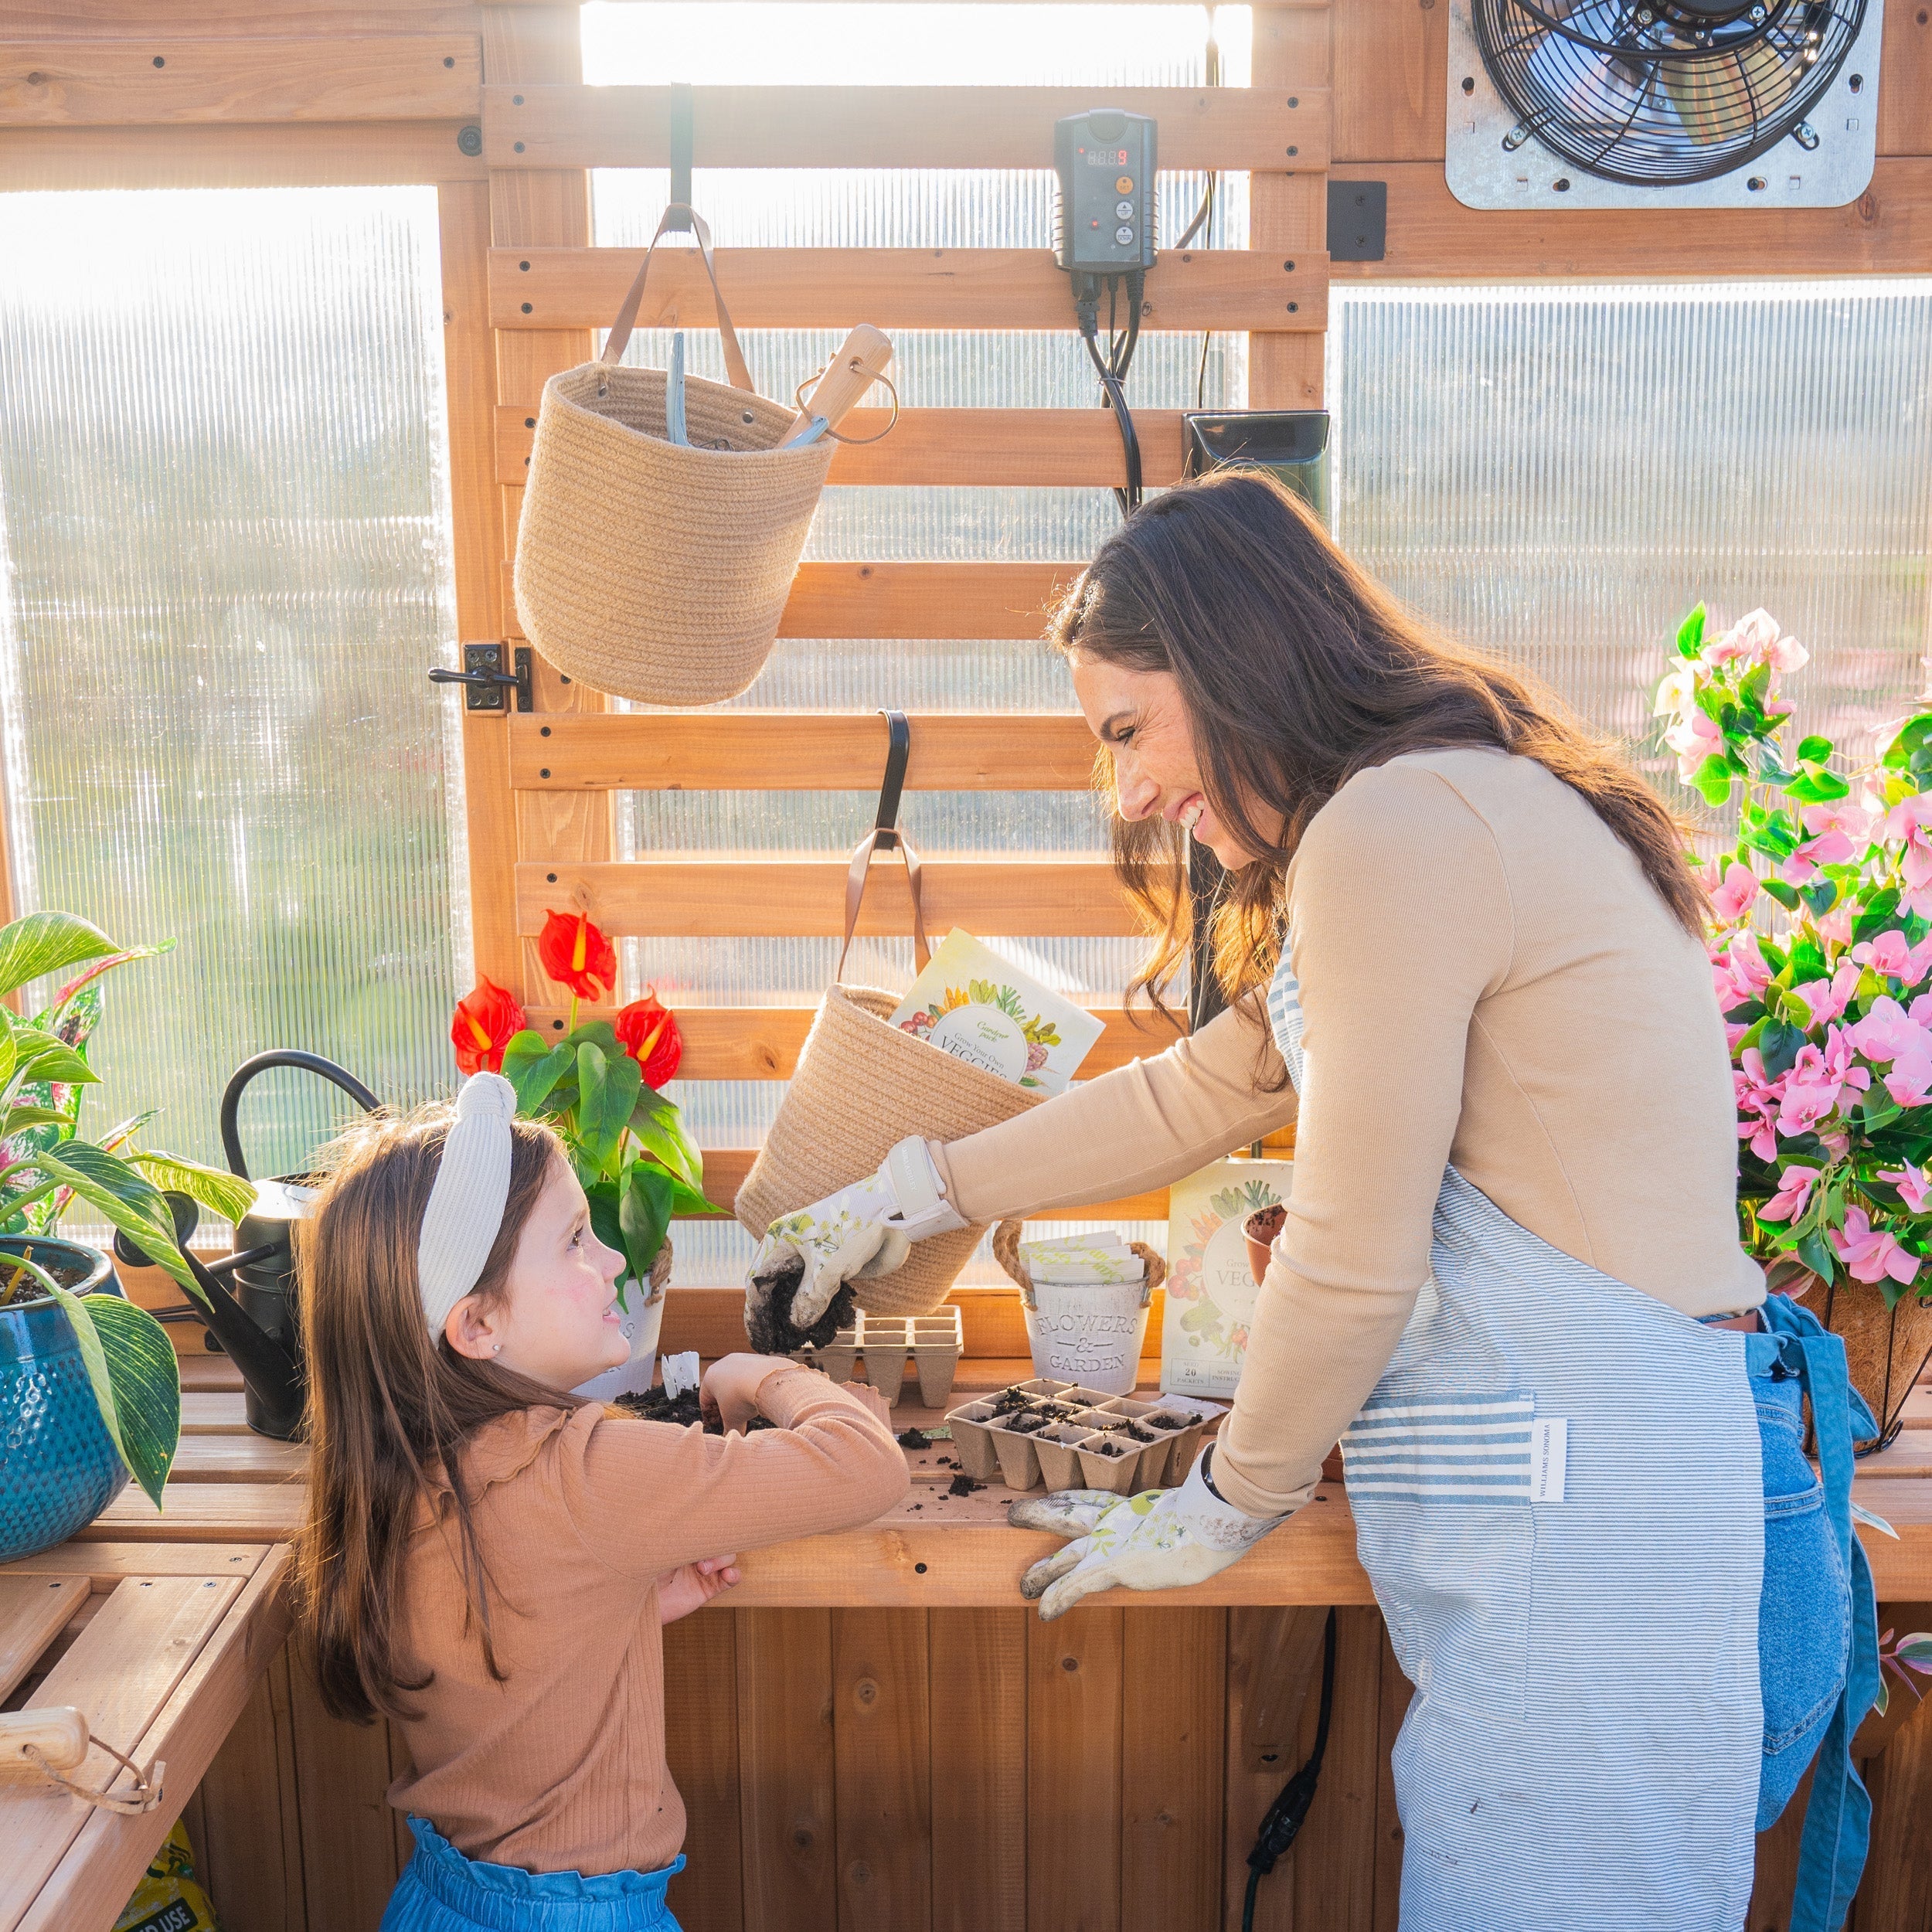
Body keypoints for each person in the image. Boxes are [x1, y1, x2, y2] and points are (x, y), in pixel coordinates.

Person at [749, 471, 1877, 1930]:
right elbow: (1204, 1090)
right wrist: (915, 1188)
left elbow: (1352, 1251)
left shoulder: (1398, 829)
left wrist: (1227, 1502)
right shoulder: (1438, 804)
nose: (1127, 794)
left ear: (1235, 658)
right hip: (1615, 1503)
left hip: (1595, 1535)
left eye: (1127, 730)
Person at [294, 1073, 909, 1932]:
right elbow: (867, 1465)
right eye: (577, 1239)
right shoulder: (583, 1467)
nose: (616, 1260)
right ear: (477, 1325)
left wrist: (617, 1610)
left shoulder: (399, 1466)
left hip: (436, 1903)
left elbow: (491, 1645)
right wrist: (760, 1370)